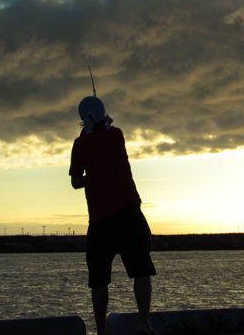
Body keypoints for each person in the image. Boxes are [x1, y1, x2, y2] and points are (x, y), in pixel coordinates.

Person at [70, 95, 157, 335]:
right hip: (130, 213)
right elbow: (106, 134)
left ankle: (100, 332)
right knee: (141, 271)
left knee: (98, 281)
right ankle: (144, 325)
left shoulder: (80, 145)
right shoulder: (117, 135)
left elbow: (76, 182)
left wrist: (92, 177)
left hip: (100, 221)